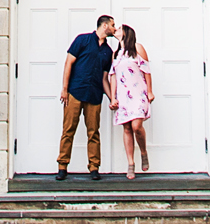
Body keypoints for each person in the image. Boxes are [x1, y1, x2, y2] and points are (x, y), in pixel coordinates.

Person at [56, 13, 116, 179]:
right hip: (75, 92)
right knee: (68, 130)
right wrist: (64, 89)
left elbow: (105, 78)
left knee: (93, 132)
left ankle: (94, 167)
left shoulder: (107, 51)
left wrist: (112, 98)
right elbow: (69, 63)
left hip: (95, 95)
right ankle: (62, 166)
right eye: (112, 25)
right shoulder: (82, 40)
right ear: (105, 25)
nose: (114, 28)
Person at [107, 22, 153, 178]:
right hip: (123, 96)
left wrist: (150, 91)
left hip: (138, 93)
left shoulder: (137, 48)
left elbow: (146, 71)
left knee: (136, 126)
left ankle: (143, 151)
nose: (116, 30)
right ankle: (131, 164)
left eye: (119, 28)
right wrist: (113, 97)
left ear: (126, 33)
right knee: (126, 128)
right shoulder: (115, 54)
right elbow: (112, 77)